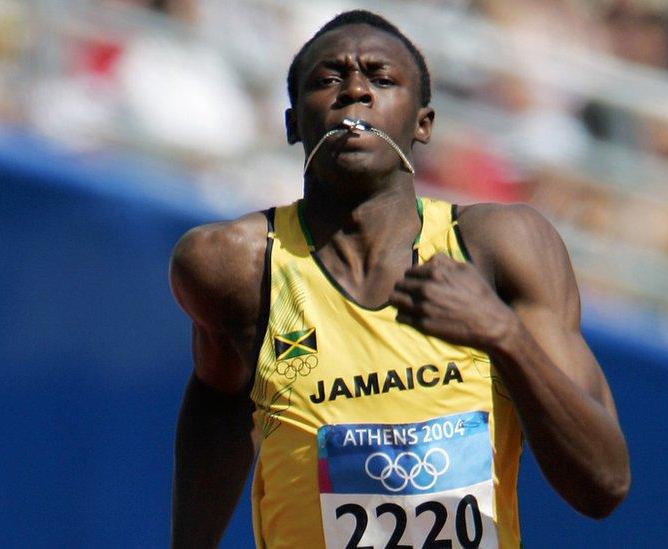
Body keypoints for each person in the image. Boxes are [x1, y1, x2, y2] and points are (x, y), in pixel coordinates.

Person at [169, 10, 630, 548]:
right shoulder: (237, 267)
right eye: (328, 79)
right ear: (294, 124)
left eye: (381, 79)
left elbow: (605, 484)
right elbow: (220, 401)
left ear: (423, 123)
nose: (355, 91)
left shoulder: (500, 248)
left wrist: (503, 337)